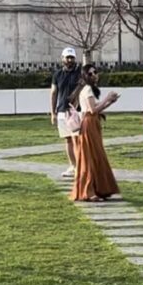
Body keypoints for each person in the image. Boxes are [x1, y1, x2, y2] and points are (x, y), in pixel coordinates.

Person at [70, 64, 121, 202]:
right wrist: (107, 98)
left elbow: (97, 109)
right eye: (91, 73)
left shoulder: (88, 90)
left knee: (97, 155)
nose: (94, 75)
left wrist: (110, 102)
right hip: (89, 123)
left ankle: (99, 189)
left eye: (95, 72)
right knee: (90, 156)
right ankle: (89, 191)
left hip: (93, 123)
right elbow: (92, 110)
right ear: (86, 76)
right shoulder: (87, 90)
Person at [50, 47, 82, 178]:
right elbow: (53, 93)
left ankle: (81, 166)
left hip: (76, 112)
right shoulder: (57, 75)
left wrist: (76, 106)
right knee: (68, 140)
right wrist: (53, 113)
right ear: (62, 59)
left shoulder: (80, 73)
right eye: (67, 57)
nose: (70, 60)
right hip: (62, 111)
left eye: (72, 58)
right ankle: (73, 166)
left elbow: (82, 89)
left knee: (77, 140)